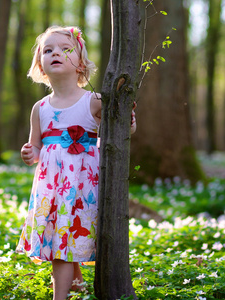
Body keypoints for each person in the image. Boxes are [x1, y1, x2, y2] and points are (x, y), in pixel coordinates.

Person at [16, 25, 137, 300]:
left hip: (81, 187)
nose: (56, 53)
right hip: (50, 188)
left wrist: (129, 121)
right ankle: (77, 283)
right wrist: (29, 154)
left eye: (65, 49)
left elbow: (120, 130)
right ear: (41, 65)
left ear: (80, 64)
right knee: (59, 238)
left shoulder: (92, 101)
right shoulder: (40, 108)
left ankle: (61, 296)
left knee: (65, 241)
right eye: (48, 50)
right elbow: (36, 147)